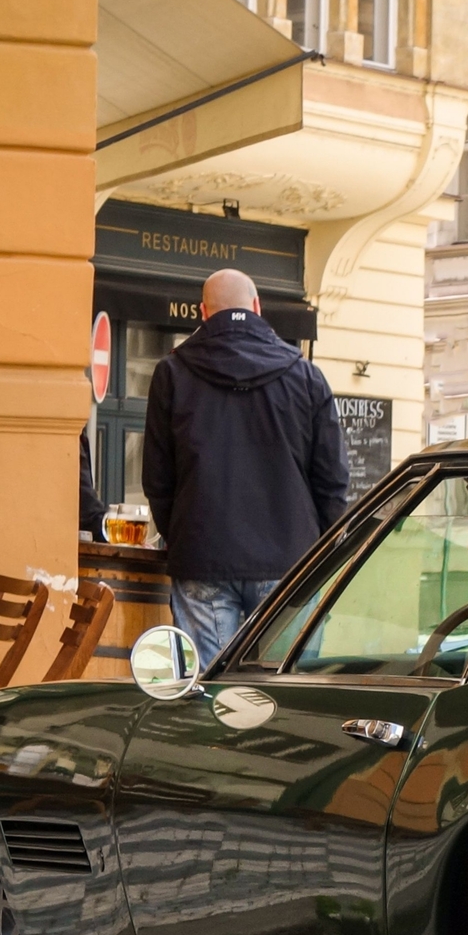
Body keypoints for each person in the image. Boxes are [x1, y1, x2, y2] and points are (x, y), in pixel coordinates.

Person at [142, 268, 349, 665]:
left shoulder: (172, 374)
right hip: (291, 558)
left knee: (208, 695)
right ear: (257, 308)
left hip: (203, 554)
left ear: (203, 313)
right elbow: (332, 480)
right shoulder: (305, 376)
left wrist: (183, 533)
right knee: (284, 695)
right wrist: (320, 552)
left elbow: (157, 479)